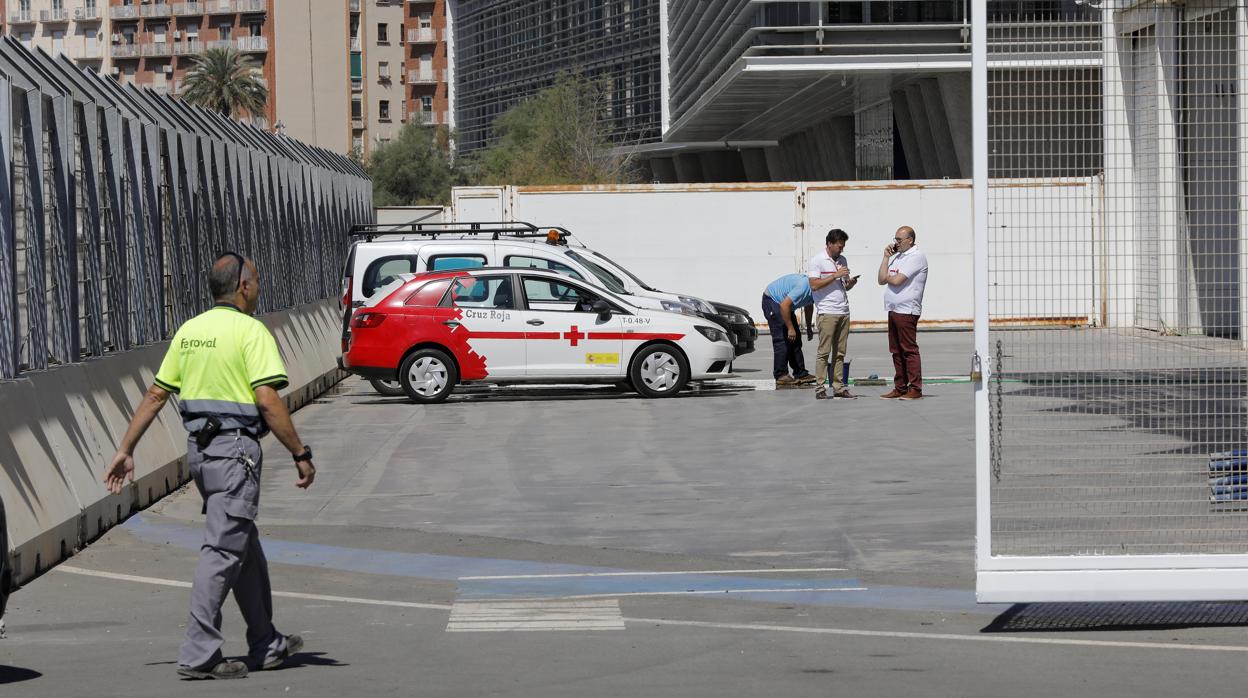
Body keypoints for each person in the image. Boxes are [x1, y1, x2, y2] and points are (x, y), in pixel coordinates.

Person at [103, 252, 317, 680]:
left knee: (243, 548)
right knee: (222, 552)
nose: (259, 287)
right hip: (235, 451)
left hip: (202, 455)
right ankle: (199, 653)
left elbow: (155, 395)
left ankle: (266, 642)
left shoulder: (191, 331)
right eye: (256, 280)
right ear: (242, 286)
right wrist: (299, 452)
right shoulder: (250, 332)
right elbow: (267, 400)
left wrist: (126, 448)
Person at [877, 226, 929, 400]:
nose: (896, 243)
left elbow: (897, 280)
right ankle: (900, 387)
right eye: (895, 239)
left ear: (910, 240)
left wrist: (888, 278)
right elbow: (880, 279)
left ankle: (915, 388)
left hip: (907, 310)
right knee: (896, 350)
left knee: (909, 349)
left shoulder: (916, 257)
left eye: (899, 240)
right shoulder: (897, 257)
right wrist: (886, 258)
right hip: (893, 309)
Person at [761, 272, 840, 386]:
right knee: (782, 339)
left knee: (796, 339)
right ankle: (781, 375)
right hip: (773, 300)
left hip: (784, 305)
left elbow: (808, 306)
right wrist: (790, 328)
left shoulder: (817, 289)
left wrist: (808, 327)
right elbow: (784, 306)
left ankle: (800, 373)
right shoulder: (804, 286)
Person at [807, 229, 859, 400]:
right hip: (827, 312)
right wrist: (835, 276)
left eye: (843, 246)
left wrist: (850, 282)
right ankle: (820, 388)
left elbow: (843, 285)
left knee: (840, 352)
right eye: (839, 246)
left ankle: (839, 387)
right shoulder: (817, 261)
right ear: (829, 243)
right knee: (824, 352)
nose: (841, 250)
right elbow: (814, 285)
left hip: (843, 311)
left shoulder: (842, 260)